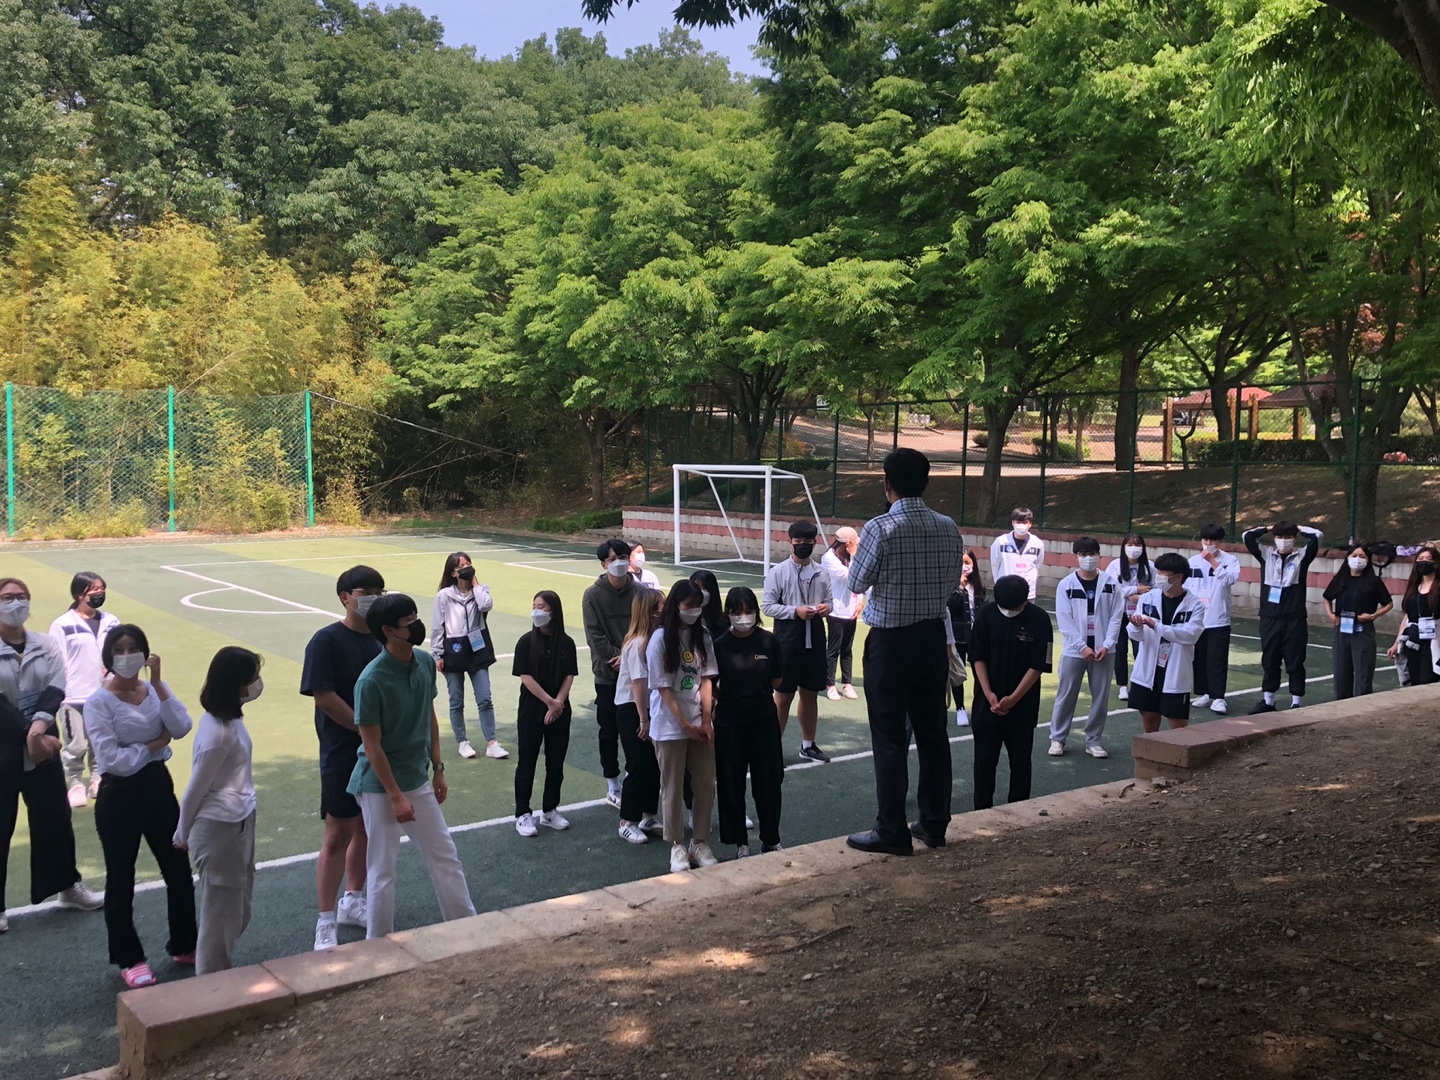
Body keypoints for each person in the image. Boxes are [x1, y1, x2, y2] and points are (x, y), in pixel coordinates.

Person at [845, 448, 964, 854]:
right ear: (927, 482)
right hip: (931, 638)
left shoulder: (880, 527)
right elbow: (952, 583)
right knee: (934, 734)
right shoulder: (948, 527)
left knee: (890, 737)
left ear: (886, 481)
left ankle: (892, 829)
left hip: (891, 643)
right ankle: (934, 823)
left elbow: (856, 583)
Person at [349, 593, 475, 938]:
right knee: (382, 869)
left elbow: (428, 716)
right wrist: (395, 796)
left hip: (417, 778)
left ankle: (467, 928)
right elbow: (371, 745)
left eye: (415, 617)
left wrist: (438, 768)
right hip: (379, 787)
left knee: (445, 855)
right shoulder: (370, 681)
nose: (417, 626)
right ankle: (378, 944)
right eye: (408, 622)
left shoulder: (422, 662)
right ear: (388, 631)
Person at [86, 623, 196, 988]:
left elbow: (181, 726)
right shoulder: (98, 703)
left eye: (134, 648)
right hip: (119, 795)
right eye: (119, 649)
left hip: (158, 787)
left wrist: (159, 682)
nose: (127, 655)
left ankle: (185, 943)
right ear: (108, 657)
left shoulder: (153, 690)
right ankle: (129, 958)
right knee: (121, 878)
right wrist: (154, 745)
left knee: (178, 867)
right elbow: (113, 761)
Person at [0, 577, 102, 937]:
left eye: (22, 596)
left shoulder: (44, 644)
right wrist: (28, 733)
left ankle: (67, 887)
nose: (16, 603)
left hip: (44, 747)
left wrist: (38, 730)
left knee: (55, 819)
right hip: (6, 750)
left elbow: (56, 686)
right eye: (7, 597)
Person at [300, 565, 383, 952]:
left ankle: (353, 899)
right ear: (345, 598)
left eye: (380, 591)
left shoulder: (382, 639)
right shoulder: (326, 641)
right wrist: (364, 730)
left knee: (367, 828)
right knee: (337, 835)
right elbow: (325, 697)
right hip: (341, 751)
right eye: (367, 592)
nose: (375, 598)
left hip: (378, 751)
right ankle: (325, 920)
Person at [173, 647, 261, 975]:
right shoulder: (220, 734)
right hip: (220, 829)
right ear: (236, 683)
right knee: (221, 918)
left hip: (238, 821)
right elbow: (196, 789)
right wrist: (182, 833)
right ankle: (212, 986)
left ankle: (216, 978)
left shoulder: (229, 720)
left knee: (238, 912)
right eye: (252, 678)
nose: (257, 684)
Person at [647, 579, 718, 873]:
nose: (694, 611)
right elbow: (664, 689)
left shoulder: (702, 635)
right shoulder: (660, 639)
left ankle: (699, 842)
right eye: (689, 606)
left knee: (705, 782)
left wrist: (705, 719)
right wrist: (685, 724)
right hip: (670, 725)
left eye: (698, 606)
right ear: (676, 606)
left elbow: (706, 679)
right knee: (673, 786)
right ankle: (676, 844)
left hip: (698, 721)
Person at [969, 575, 1053, 811]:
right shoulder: (986, 614)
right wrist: (988, 693)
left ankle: (1019, 810)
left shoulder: (1039, 619)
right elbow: (977, 656)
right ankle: (981, 811)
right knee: (984, 764)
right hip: (987, 705)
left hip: (1022, 706)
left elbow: (1038, 665)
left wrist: (1013, 699)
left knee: (1021, 763)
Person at [713, 587, 784, 857]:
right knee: (731, 783)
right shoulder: (719, 645)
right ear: (728, 614)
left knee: (769, 780)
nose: (744, 616)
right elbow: (710, 684)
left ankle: (771, 839)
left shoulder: (768, 641)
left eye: (749, 611)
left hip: (763, 719)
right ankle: (740, 843)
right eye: (737, 612)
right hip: (730, 722)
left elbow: (777, 679)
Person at [761, 520, 834, 763]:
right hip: (787, 640)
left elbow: (830, 601)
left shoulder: (821, 572)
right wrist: (795, 611)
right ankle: (772, 749)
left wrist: (826, 608)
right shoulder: (778, 572)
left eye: (807, 541)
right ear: (790, 542)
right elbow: (768, 607)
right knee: (783, 697)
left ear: (815, 542)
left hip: (815, 638)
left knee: (810, 694)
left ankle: (808, 745)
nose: (803, 545)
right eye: (798, 541)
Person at [1048, 537, 1125, 759]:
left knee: (1100, 697)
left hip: (1103, 651)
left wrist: (1107, 645)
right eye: (1083, 554)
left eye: (1092, 554)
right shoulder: (1066, 585)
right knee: (1066, 695)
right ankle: (1058, 738)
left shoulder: (1111, 584)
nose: (1088, 558)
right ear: (1076, 557)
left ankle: (1094, 740)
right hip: (1075, 651)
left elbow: (1116, 617)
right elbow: (1064, 620)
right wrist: (1081, 647)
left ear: (1099, 555)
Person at [49, 571, 120, 807]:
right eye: (95, 589)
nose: (100, 593)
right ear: (80, 594)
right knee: (76, 743)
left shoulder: (111, 621)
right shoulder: (63, 624)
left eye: (102, 588)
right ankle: (75, 783)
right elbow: (57, 660)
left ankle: (97, 778)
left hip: (104, 694)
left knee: (100, 740)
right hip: (74, 695)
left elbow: (119, 652)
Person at [512, 591, 579, 837]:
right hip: (532, 709)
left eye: (542, 606)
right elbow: (526, 677)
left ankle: (550, 810)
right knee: (527, 761)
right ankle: (522, 813)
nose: (537, 611)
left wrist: (558, 703)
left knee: (556, 762)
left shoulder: (567, 643)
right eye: (534, 606)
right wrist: (549, 702)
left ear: (554, 611)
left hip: (559, 710)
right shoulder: (526, 642)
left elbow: (569, 675)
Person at [431, 551, 505, 761]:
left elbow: (486, 605)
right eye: (461, 566)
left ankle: (492, 742)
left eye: (468, 564)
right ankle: (462, 741)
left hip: (477, 647)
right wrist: (437, 654)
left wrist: (474, 582)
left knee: (485, 698)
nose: (466, 568)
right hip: (453, 649)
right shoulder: (444, 596)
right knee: (457, 700)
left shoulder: (480, 591)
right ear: (453, 573)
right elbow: (437, 626)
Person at [1243, 519, 1323, 713]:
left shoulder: (1302, 556)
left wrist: (1299, 528)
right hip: (1269, 617)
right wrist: (1269, 528)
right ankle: (1268, 701)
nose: (1283, 540)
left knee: (1295, 659)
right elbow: (1247, 536)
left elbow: (1318, 536)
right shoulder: (1265, 554)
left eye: (1287, 537)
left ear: (1294, 538)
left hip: (1294, 618)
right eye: (1279, 536)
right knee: (1270, 659)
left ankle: (1296, 702)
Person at [582, 539, 636, 809]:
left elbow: (646, 629)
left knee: (636, 730)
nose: (619, 563)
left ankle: (632, 778)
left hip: (637, 676)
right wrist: (619, 657)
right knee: (608, 730)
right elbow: (595, 636)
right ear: (603, 564)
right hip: (607, 675)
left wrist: (629, 658)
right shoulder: (592, 595)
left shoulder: (640, 592)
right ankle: (612, 783)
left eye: (623, 556)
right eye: (613, 559)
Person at [1126, 553, 1205, 733]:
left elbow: (1190, 636)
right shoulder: (1148, 598)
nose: (1159, 576)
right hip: (1148, 668)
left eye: (1164, 573)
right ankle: (1150, 750)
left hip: (1175, 669)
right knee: (1149, 719)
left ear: (1178, 577)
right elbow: (1135, 635)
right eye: (1158, 571)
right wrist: (1136, 626)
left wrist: (1156, 625)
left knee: (1178, 725)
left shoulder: (1194, 605)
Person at [615, 588, 664, 844]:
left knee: (652, 763)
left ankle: (648, 815)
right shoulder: (637, 644)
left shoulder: (654, 640)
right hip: (632, 708)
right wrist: (643, 718)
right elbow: (638, 683)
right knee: (637, 764)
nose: (664, 611)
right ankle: (627, 821)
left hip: (646, 707)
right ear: (650, 612)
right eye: (660, 606)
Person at [1324, 545, 1394, 699]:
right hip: (1342, 628)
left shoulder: (1373, 581)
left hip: (1362, 629)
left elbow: (1388, 604)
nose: (1357, 559)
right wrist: (1330, 614)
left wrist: (1373, 615)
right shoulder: (1341, 579)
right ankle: (1341, 703)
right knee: (1341, 671)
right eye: (1354, 555)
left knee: (1363, 672)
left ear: (1368, 560)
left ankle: (1362, 703)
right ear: (1348, 557)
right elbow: (1327, 597)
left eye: (1362, 557)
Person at [1187, 525, 1242, 715]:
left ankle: (1218, 697)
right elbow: (1187, 587)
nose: (1208, 544)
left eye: (1213, 540)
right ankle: (1205, 693)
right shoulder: (1192, 562)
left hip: (1218, 618)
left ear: (1220, 541)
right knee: (1199, 658)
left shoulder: (1230, 560)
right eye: (1205, 540)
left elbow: (1229, 580)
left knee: (1217, 659)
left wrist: (1213, 561)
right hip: (1197, 619)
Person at [1105, 533, 1153, 702]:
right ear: (1124, 547)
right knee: (1120, 650)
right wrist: (1135, 590)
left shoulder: (1149, 566)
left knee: (1140, 649)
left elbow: (1155, 590)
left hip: (1140, 614)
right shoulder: (1114, 566)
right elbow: (1111, 589)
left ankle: (1140, 683)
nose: (1134, 549)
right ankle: (1122, 686)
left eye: (1138, 545)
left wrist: (1141, 597)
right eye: (1130, 545)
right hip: (1119, 613)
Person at [822, 526, 864, 701]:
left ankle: (847, 684)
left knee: (847, 649)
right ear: (847, 544)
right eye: (854, 544)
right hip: (836, 610)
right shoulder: (828, 558)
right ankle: (830, 685)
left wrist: (860, 600)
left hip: (851, 610)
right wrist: (854, 556)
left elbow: (860, 581)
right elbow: (851, 576)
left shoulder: (851, 557)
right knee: (834, 649)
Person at [1388, 547, 1439, 687]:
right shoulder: (1413, 587)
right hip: (1413, 638)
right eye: (1420, 559)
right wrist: (1397, 643)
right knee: (1414, 677)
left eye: (1429, 559)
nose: (1424, 562)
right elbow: (1407, 617)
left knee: (1429, 677)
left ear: (1436, 563)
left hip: (1434, 638)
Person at [946, 549, 985, 725]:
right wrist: (959, 587)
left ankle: (979, 708)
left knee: (981, 672)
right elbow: (949, 607)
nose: (964, 566)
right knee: (958, 673)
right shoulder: (951, 586)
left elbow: (982, 611)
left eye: (967, 562)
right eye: (961, 562)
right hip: (958, 637)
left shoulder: (979, 588)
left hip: (977, 638)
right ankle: (960, 708)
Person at [989, 507, 1044, 600]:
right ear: (1012, 523)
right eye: (1018, 522)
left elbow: (1038, 565)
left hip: (1028, 594)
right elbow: (995, 565)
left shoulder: (1038, 544)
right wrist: (999, 584)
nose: (1021, 525)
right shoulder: (1001, 542)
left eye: (1025, 522)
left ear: (1030, 524)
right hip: (1005, 592)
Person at [688, 569, 729, 641]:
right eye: (697, 587)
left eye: (704, 588)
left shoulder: (723, 623)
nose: (701, 592)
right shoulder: (683, 620)